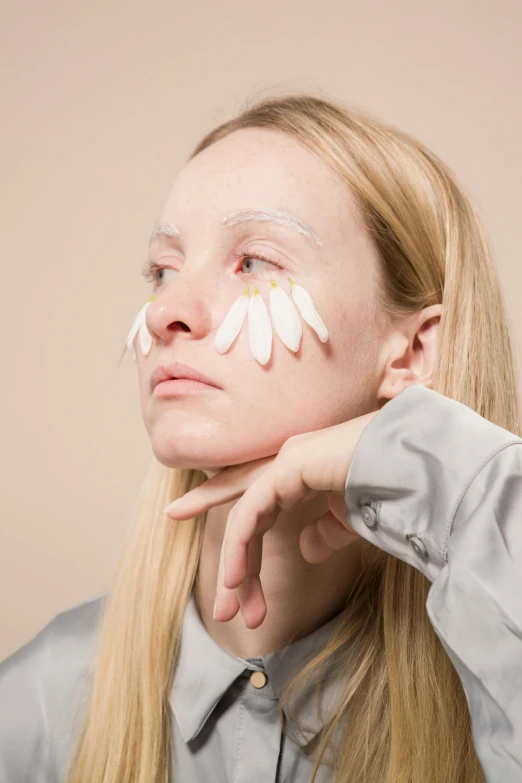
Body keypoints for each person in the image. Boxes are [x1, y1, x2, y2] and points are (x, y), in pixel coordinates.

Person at [0, 92, 521, 783]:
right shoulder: (36, 706)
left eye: (255, 262)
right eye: (163, 270)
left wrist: (450, 477)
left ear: (411, 352)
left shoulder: (489, 677)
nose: (169, 314)